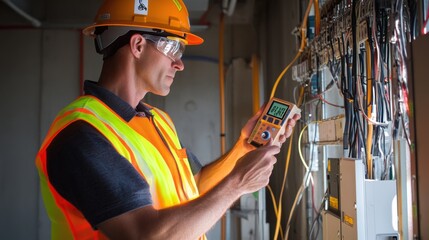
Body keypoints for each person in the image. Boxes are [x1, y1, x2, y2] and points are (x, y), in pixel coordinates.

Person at [35, 0, 300, 239]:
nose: (179, 63)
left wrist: (245, 147)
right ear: (138, 45)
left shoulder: (157, 119)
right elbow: (144, 235)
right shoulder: (82, 134)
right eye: (172, 46)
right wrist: (237, 184)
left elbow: (193, 188)